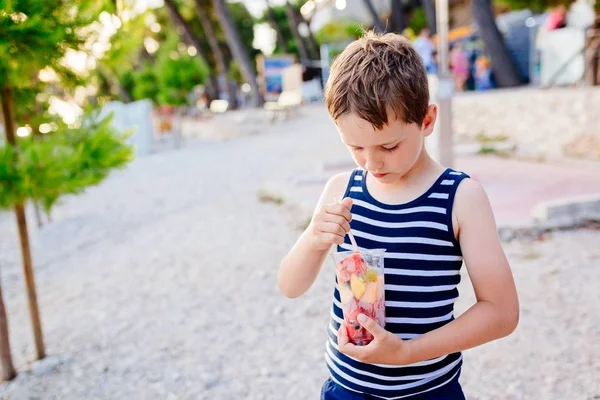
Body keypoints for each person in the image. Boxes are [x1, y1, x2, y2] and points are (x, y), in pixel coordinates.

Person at [278, 32, 519, 399]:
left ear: (426, 120)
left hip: (428, 390)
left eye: (388, 146)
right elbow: (290, 286)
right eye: (355, 147)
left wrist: (406, 354)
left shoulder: (459, 198)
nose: (371, 162)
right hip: (347, 388)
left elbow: (501, 311)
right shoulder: (341, 190)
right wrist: (314, 239)